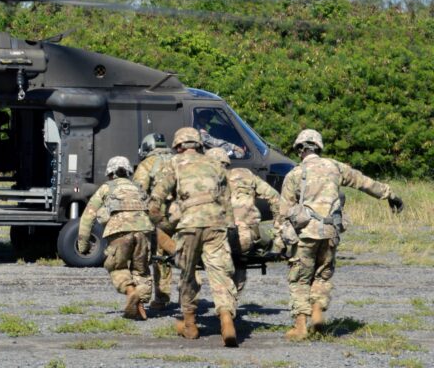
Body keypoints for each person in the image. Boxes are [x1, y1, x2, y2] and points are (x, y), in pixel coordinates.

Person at [278, 129, 404, 340]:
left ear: (300, 150)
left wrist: (280, 240)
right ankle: (317, 311)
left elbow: (283, 213)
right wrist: (390, 194)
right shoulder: (336, 167)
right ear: (319, 147)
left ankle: (300, 326)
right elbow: (364, 182)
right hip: (330, 232)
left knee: (300, 278)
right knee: (323, 274)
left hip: (305, 234)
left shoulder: (294, 174)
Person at [150, 127, 239, 347]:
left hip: (189, 224)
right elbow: (227, 200)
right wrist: (229, 226)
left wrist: (160, 223)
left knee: (187, 273)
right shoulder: (215, 164)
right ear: (198, 145)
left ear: (179, 146)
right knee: (220, 272)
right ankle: (227, 319)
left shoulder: (174, 163)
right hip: (215, 224)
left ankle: (189, 324)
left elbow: (157, 198)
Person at [77, 156, 153, 320]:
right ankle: (141, 306)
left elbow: (87, 216)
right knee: (141, 270)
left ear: (110, 173)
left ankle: (131, 292)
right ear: (128, 171)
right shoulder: (138, 188)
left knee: (117, 267)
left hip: (119, 231)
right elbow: (153, 211)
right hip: (144, 229)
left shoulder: (106, 188)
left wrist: (83, 244)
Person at [205, 147, 284, 292]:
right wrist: (279, 234)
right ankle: (233, 294)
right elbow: (276, 198)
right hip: (245, 239)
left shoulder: (201, 181)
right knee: (261, 241)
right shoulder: (245, 175)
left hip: (216, 239)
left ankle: (225, 298)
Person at [133, 133, 176, 310]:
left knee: (161, 257)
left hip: (161, 217)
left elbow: (138, 190)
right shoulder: (178, 160)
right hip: (185, 215)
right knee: (190, 254)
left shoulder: (148, 164)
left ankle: (161, 298)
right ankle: (190, 298)